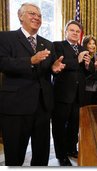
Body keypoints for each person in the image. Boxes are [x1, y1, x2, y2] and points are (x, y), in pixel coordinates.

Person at [0, 3, 65, 166]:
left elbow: (47, 69)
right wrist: (30, 60)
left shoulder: (47, 43)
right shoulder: (5, 37)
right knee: (15, 155)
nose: (37, 17)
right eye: (32, 14)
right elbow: (3, 63)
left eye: (40, 15)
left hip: (42, 106)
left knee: (41, 154)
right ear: (20, 16)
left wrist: (53, 69)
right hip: (16, 106)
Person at [52, 20, 93, 166]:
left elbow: (87, 73)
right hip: (62, 94)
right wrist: (78, 59)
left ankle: (71, 148)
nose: (75, 33)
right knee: (59, 126)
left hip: (78, 95)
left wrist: (88, 65)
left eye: (77, 31)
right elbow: (60, 65)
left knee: (74, 125)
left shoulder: (82, 48)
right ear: (66, 32)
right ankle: (61, 155)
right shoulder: (57, 45)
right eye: (72, 30)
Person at [82, 35, 97, 105]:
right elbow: (84, 75)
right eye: (89, 43)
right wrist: (95, 67)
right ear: (85, 45)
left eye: (94, 43)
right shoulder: (82, 57)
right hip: (86, 89)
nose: (92, 46)